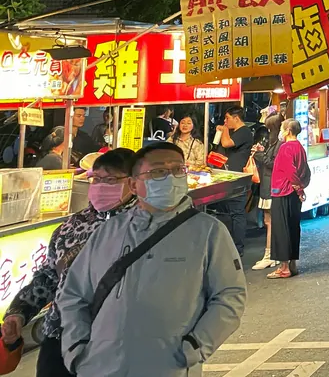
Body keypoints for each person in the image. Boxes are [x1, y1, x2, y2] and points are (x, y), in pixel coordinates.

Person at [57, 142, 246, 376]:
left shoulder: (209, 231)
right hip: (100, 366)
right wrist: (76, 349)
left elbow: (230, 295)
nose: (170, 177)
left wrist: (196, 346)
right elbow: (73, 294)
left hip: (169, 366)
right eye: (158, 171)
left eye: (178, 170)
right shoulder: (109, 231)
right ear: (133, 184)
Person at [3, 148, 137, 377]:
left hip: (120, 343)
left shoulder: (146, 226)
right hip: (60, 334)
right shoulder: (73, 225)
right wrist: (19, 312)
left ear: (133, 183)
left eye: (112, 179)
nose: (102, 186)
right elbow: (49, 276)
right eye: (97, 179)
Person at [268, 119, 308, 279]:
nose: (281, 132)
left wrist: (297, 186)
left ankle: (284, 267)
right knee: (293, 227)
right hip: (293, 193)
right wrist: (300, 188)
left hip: (283, 191)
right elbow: (305, 169)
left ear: (288, 131)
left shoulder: (285, 148)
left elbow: (290, 171)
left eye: (283, 129)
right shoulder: (300, 147)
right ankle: (292, 264)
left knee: (281, 229)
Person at [214, 106, 254, 256]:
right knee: (231, 212)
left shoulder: (243, 131)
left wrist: (224, 129)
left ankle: (238, 247)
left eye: (227, 118)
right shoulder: (236, 132)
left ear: (236, 118)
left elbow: (226, 144)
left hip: (238, 178)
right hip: (229, 176)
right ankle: (231, 244)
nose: (225, 121)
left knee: (237, 213)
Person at [251, 115, 282, 272]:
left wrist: (258, 155)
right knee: (269, 220)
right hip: (269, 185)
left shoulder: (279, 144)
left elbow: (273, 163)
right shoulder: (275, 143)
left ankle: (270, 255)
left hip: (271, 186)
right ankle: (272, 255)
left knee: (270, 220)